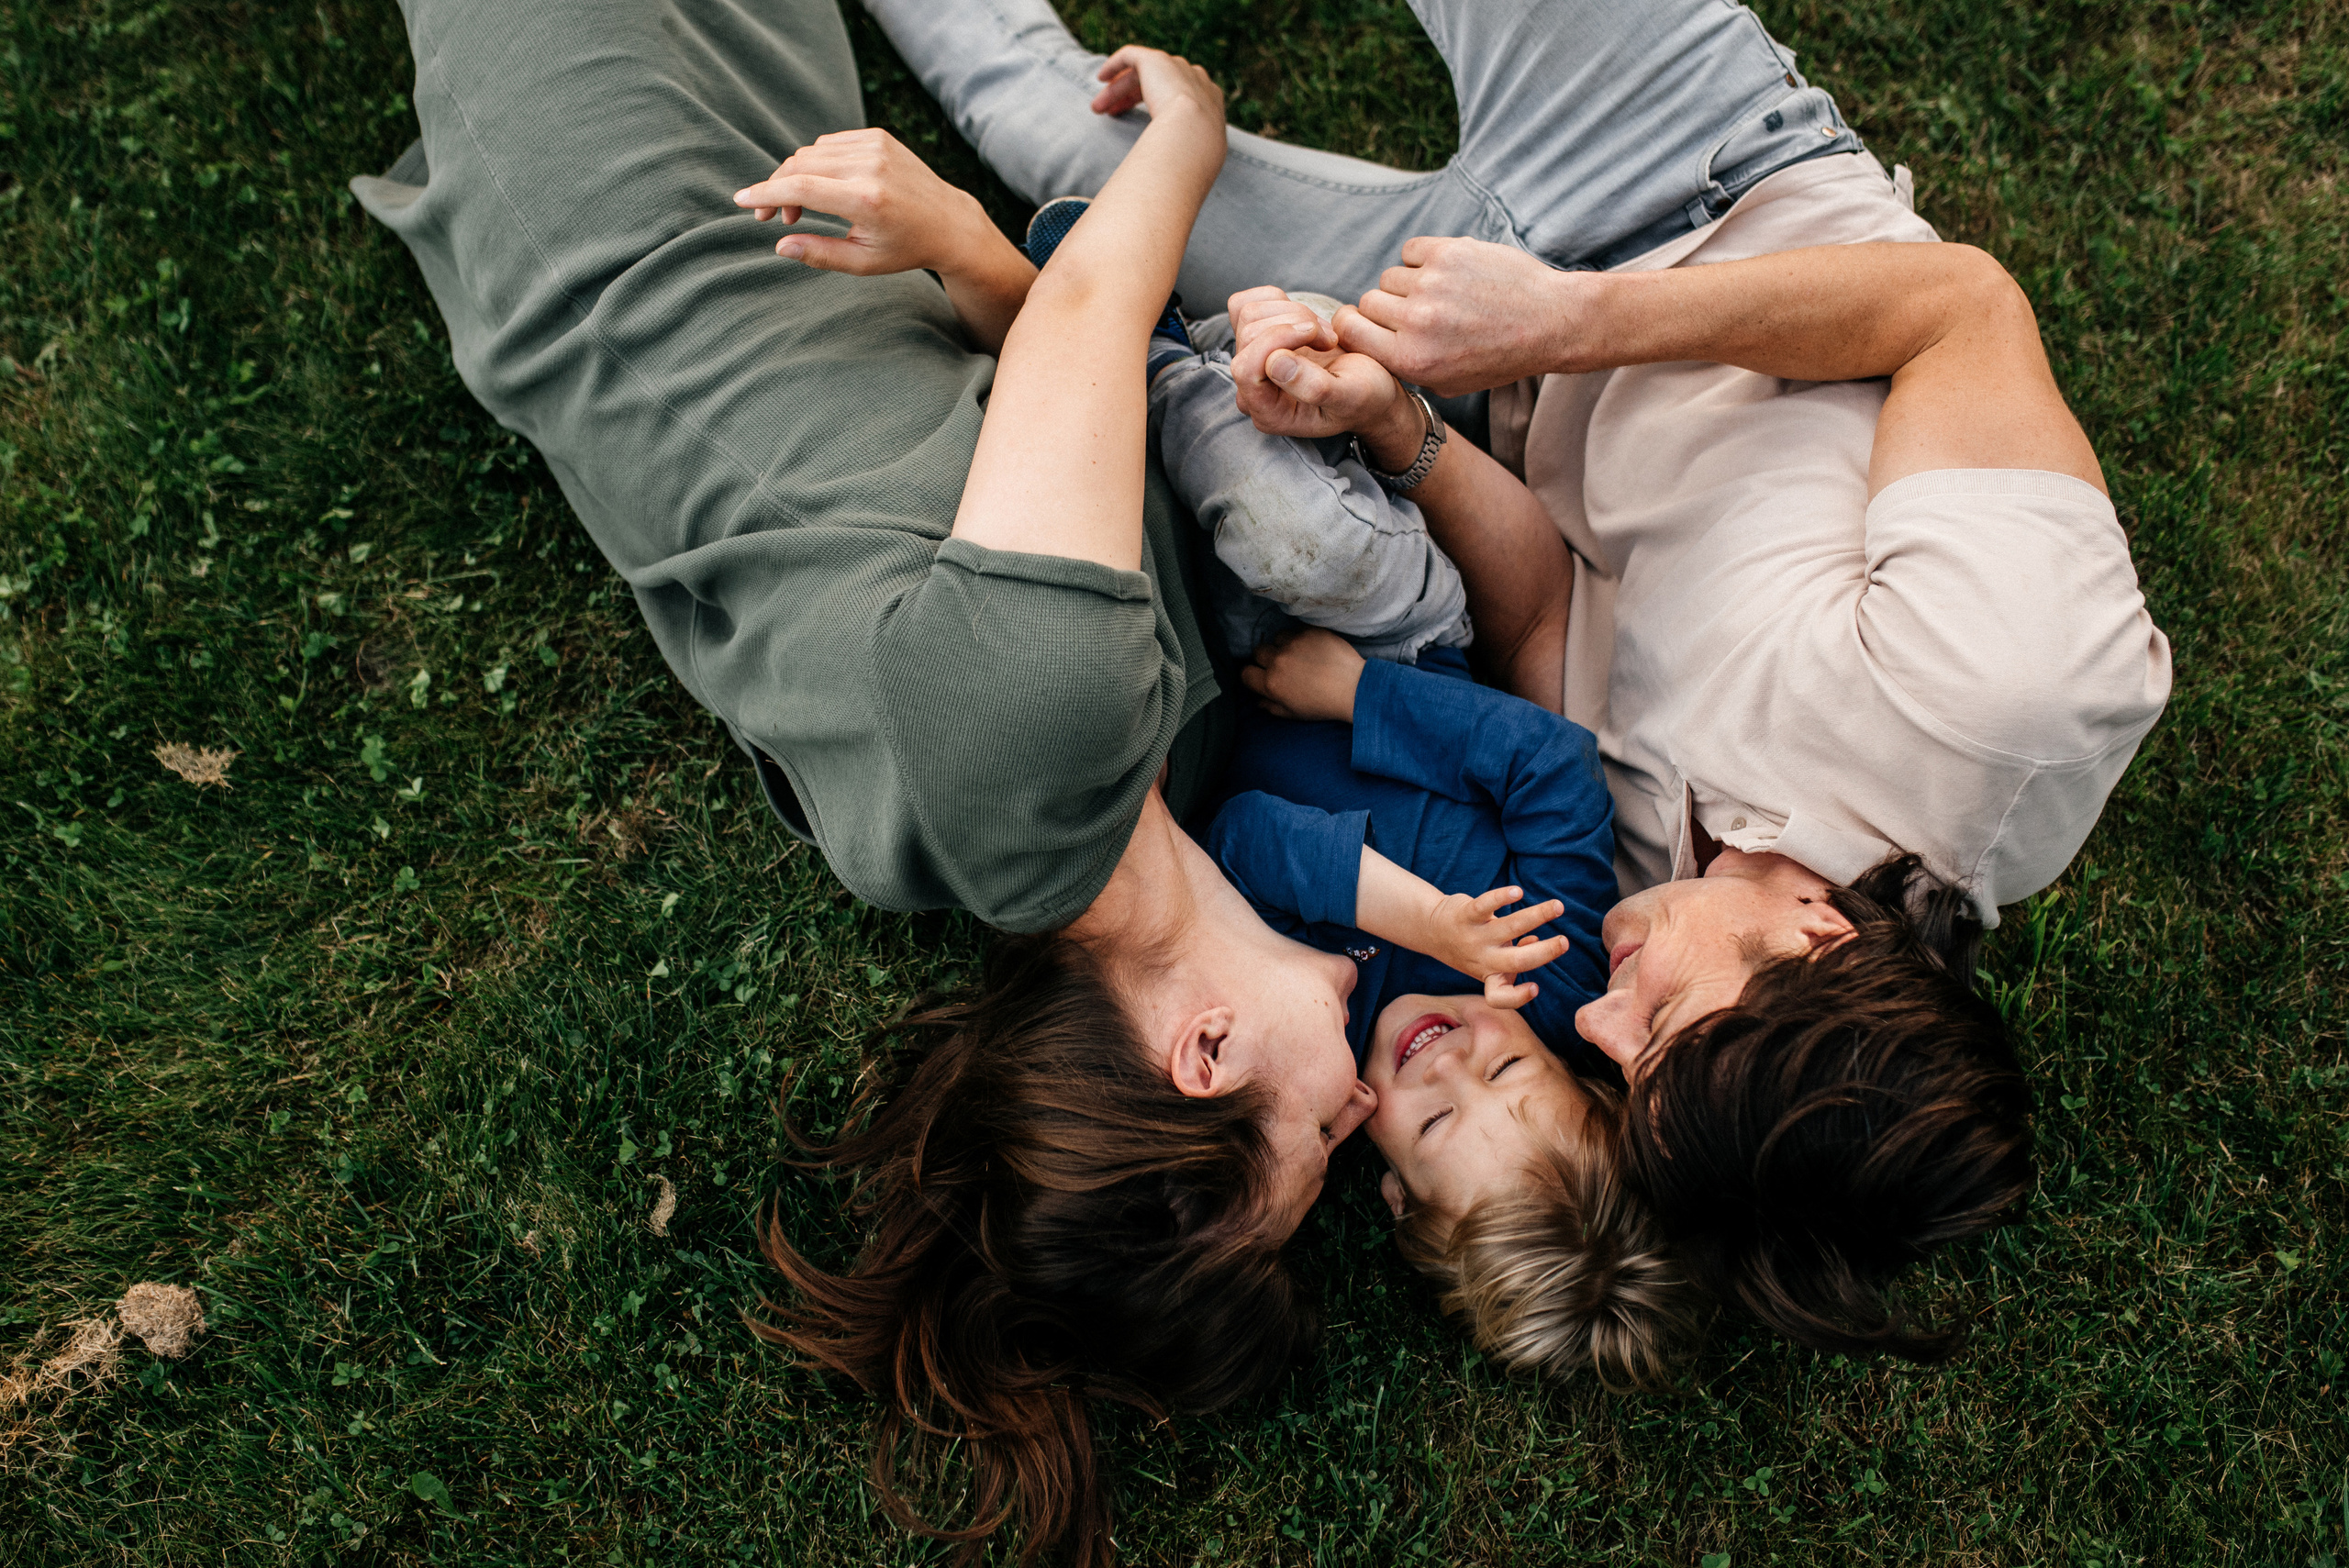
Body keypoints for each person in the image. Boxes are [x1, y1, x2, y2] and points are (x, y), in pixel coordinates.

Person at [866, 0, 2172, 1359]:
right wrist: (1567, 318)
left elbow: (1541, 599)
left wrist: (1406, 423)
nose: (1597, 1012)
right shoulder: (2006, 702)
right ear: (1820, 939)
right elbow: (1958, 310)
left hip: (1470, 370)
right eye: (1658, 1022)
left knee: (1044, 133)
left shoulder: (1644, 888)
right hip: (1679, 168)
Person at [352, 12, 1389, 1565]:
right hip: (785, 212)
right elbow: (1052, 385)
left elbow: (1092, 315)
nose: (1367, 1103)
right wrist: (966, 241)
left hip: (619, 202)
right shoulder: (1149, 776)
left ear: (1205, 1049)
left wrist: (1192, 135)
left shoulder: (1038, 755)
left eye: (1323, 1140)